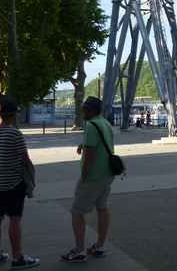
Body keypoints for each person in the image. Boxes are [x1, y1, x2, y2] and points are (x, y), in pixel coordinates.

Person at [0, 100, 39, 268]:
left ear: (0, 115)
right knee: (15, 219)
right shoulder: (15, 134)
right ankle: (17, 257)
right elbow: (24, 159)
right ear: (15, 115)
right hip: (14, 182)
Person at [61, 96, 115, 263]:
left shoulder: (91, 126)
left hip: (94, 175)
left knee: (77, 211)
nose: (82, 111)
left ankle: (79, 251)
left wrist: (84, 175)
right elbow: (101, 144)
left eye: (85, 108)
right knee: (102, 208)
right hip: (108, 173)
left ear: (91, 111)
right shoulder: (105, 123)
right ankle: (100, 246)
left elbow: (90, 155)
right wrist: (84, 144)